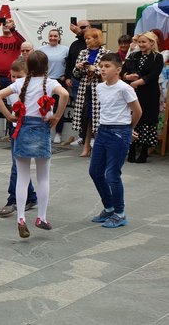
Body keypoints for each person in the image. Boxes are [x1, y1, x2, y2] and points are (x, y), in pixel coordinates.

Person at [0, 51, 69, 238]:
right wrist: (57, 116)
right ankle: (41, 217)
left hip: (23, 128)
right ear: (46, 67)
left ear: (28, 68)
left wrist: (8, 115)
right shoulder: (51, 83)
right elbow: (65, 95)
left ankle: (21, 217)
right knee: (43, 177)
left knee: (22, 177)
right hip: (42, 129)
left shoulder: (20, 83)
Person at [90, 53, 142, 229]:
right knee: (95, 171)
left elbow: (137, 111)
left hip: (120, 132)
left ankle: (120, 213)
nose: (103, 69)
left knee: (112, 174)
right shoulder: (99, 87)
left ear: (118, 69)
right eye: (101, 66)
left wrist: (128, 129)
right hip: (103, 130)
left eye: (107, 66)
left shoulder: (124, 88)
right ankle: (109, 207)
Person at [0, 58, 38, 218]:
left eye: (18, 76)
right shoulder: (11, 89)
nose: (14, 80)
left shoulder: (33, 89)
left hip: (28, 131)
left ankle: (12, 199)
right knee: (19, 166)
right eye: (12, 76)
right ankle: (31, 196)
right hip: (16, 130)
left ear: (28, 75)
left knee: (17, 167)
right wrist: (8, 116)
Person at [123, 32, 163, 163]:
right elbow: (123, 70)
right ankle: (132, 148)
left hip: (149, 92)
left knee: (147, 119)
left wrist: (137, 82)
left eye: (144, 42)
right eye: (139, 42)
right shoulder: (134, 55)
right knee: (134, 118)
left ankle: (144, 151)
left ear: (151, 43)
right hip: (134, 92)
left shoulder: (157, 57)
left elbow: (153, 74)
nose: (141, 44)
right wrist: (127, 77)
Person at [72, 28, 109, 157]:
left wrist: (95, 70)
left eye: (89, 38)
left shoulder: (106, 53)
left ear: (97, 38)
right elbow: (75, 74)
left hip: (99, 90)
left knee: (98, 119)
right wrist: (78, 67)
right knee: (86, 118)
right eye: (86, 38)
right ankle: (86, 147)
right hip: (85, 89)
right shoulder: (82, 52)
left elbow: (107, 73)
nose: (87, 40)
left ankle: (98, 148)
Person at [38, 29, 70, 144]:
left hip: (59, 82)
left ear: (59, 37)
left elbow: (69, 65)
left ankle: (58, 133)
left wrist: (65, 76)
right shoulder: (41, 50)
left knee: (58, 107)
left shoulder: (65, 49)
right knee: (43, 107)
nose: (53, 38)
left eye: (55, 36)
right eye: (51, 36)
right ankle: (43, 131)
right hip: (45, 82)